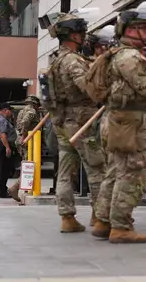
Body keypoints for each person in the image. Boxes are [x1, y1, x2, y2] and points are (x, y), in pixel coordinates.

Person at [91, 1, 146, 244]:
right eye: (144, 28)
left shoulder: (116, 54)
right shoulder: (131, 57)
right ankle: (121, 226)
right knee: (131, 173)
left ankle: (103, 221)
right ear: (128, 30)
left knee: (115, 172)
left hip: (119, 120)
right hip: (130, 122)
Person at [44, 12, 107, 232]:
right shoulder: (73, 61)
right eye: (80, 32)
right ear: (71, 35)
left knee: (64, 171)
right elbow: (90, 88)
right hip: (82, 123)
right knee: (97, 169)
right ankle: (100, 219)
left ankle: (67, 217)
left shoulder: (56, 59)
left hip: (62, 122)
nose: (84, 35)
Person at [9, 95, 42, 202]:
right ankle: (15, 187)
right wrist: (25, 137)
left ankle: (21, 187)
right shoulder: (31, 111)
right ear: (35, 104)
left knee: (26, 163)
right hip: (28, 140)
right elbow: (25, 123)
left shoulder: (22, 110)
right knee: (29, 165)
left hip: (22, 139)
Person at [0, 102, 17, 199]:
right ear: (5, 110)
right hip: (2, 145)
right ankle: (1, 191)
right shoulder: (2, 120)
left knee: (0, 169)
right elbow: (3, 135)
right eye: (10, 110)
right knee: (4, 169)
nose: (11, 113)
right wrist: (7, 147)